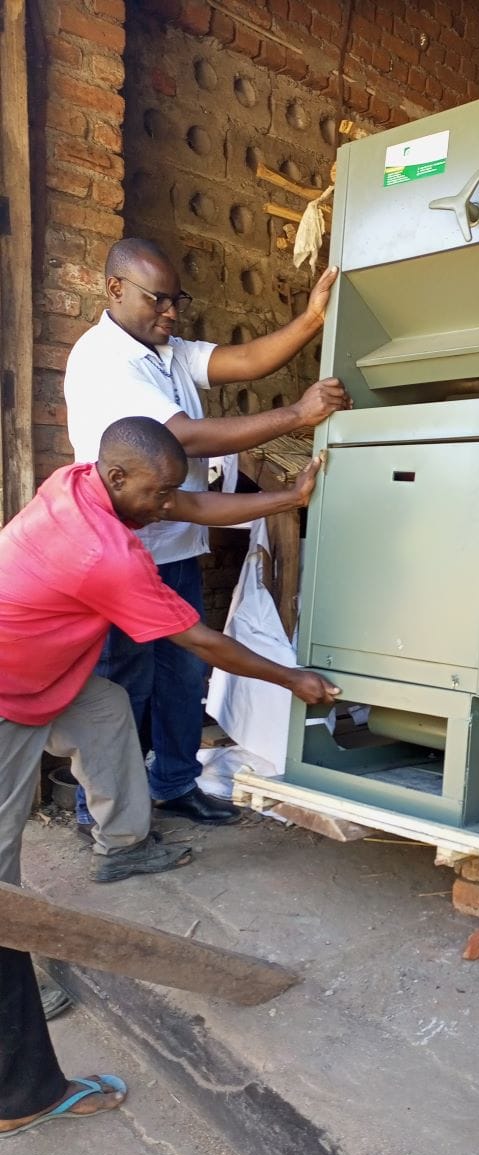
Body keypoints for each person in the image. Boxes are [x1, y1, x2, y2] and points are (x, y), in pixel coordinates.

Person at [0, 416, 339, 1143]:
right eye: (155, 495)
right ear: (120, 479)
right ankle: (18, 1087)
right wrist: (291, 676)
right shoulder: (105, 554)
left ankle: (122, 842)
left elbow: (187, 504)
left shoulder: (82, 483)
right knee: (1, 895)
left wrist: (285, 500)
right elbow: (200, 637)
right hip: (3, 694)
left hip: (39, 670)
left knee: (109, 707)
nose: (165, 507)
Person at [64, 237, 349, 830]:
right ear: (114, 290)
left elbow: (240, 362)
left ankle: (172, 783)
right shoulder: (104, 362)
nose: (172, 312)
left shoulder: (161, 348)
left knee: (181, 676)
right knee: (124, 683)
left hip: (177, 544)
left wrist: (312, 319)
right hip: (127, 555)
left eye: (177, 299)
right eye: (158, 299)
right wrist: (296, 416)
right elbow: (185, 439)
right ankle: (100, 811)